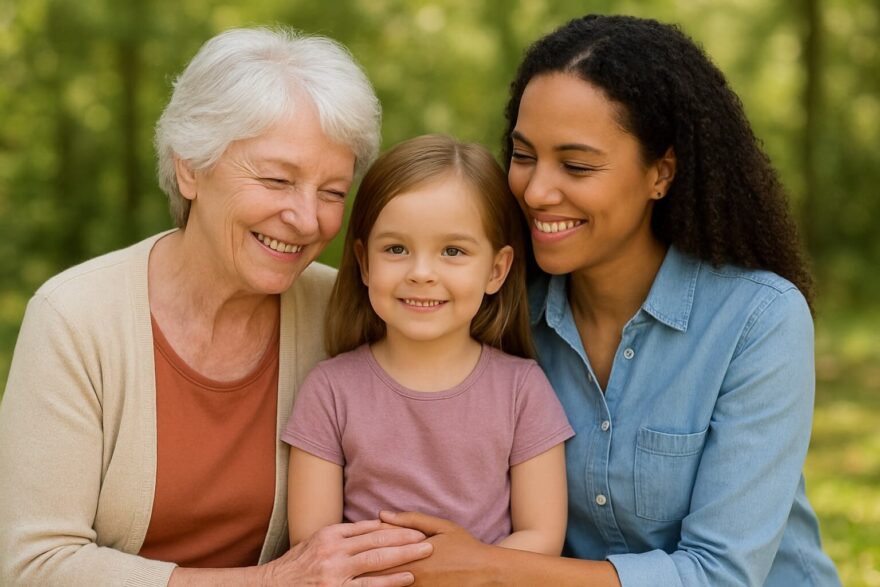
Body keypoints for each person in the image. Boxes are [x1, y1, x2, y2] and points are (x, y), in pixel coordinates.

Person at [376, 15, 842, 586]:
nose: (537, 191)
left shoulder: (758, 319)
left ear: (661, 173)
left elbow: (721, 574)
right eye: (523, 156)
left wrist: (490, 568)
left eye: (576, 165)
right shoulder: (502, 309)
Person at [0, 27, 433, 587]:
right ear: (190, 167)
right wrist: (274, 583)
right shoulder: (75, 317)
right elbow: (33, 565)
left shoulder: (345, 311)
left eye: (332, 192)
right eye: (278, 180)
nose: (307, 220)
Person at [283, 134, 574, 556]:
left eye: (452, 251)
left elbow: (542, 536)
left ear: (496, 270)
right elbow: (313, 545)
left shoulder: (522, 391)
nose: (421, 273)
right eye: (397, 248)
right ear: (365, 263)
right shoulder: (329, 391)